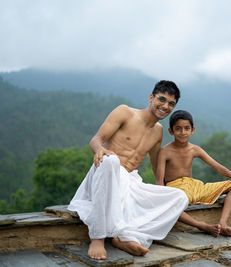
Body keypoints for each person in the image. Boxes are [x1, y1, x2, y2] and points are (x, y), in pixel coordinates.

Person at [68, 81, 188, 260]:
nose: (165, 106)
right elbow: (96, 139)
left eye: (171, 104)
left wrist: (161, 188)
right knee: (111, 161)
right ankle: (98, 238)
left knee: (180, 197)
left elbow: (156, 165)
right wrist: (100, 150)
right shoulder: (125, 112)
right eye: (161, 99)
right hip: (105, 174)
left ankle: (125, 238)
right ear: (151, 98)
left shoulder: (158, 131)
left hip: (130, 181)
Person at [156, 110, 231, 237]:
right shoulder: (165, 152)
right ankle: (202, 225)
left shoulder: (194, 149)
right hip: (177, 190)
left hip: (195, 188)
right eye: (178, 129)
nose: (183, 132)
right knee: (168, 204)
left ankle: (222, 222)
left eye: (186, 128)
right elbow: (159, 181)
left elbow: (218, 167)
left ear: (192, 130)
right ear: (171, 131)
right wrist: (165, 198)